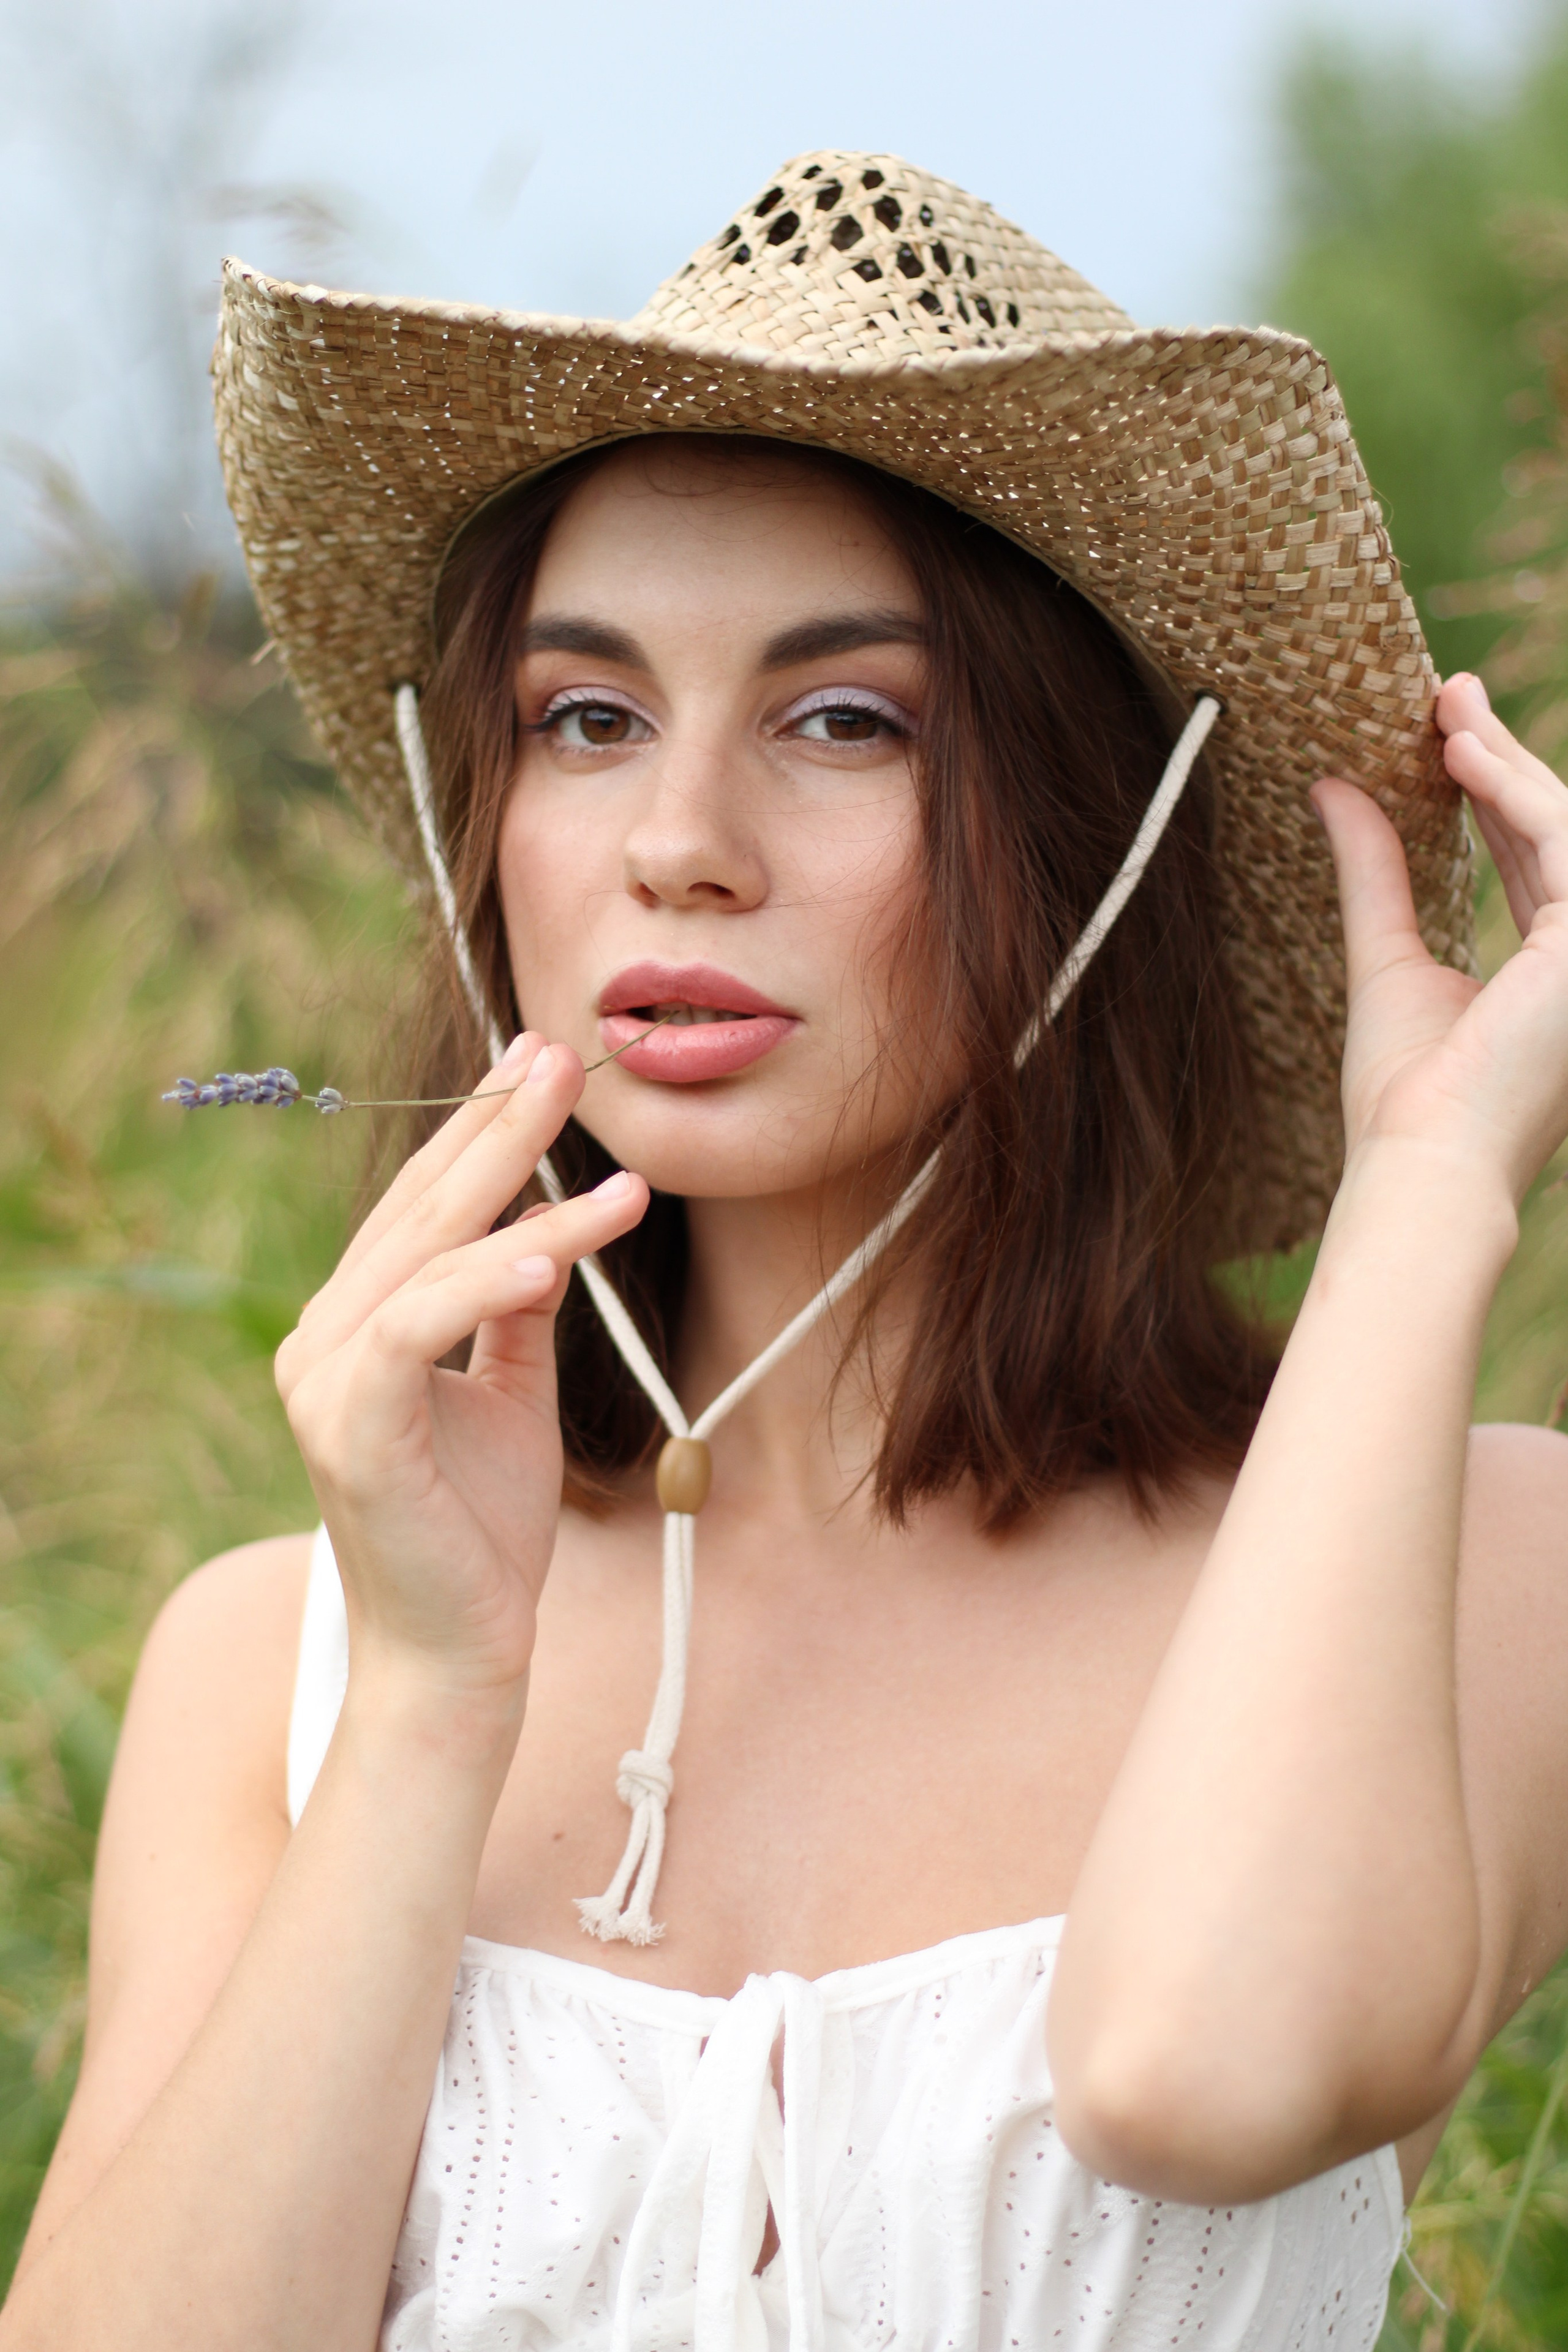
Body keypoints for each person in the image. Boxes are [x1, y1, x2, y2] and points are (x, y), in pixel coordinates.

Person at [6, 148, 1568, 2352]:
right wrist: (439, 1702)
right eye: (588, 716)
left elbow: (1204, 2073)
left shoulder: (1466, 1559)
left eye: (844, 718)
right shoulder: (279, 1665)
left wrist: (1430, 1189)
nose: (675, 845)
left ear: (1082, 835)